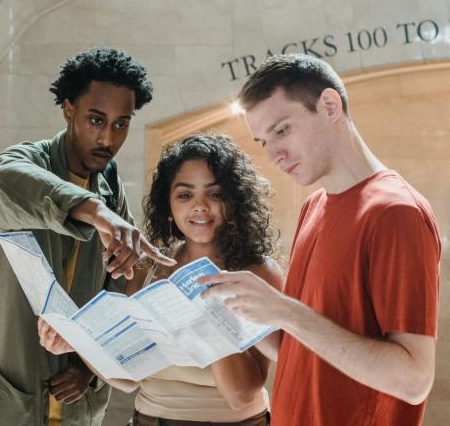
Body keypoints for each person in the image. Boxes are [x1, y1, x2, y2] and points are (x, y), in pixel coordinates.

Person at [198, 54, 441, 426]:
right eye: (264, 140)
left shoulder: (397, 213)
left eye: (282, 130)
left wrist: (283, 310)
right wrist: (238, 312)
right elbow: (300, 349)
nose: (274, 155)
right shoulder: (315, 206)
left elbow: (413, 381)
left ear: (329, 105)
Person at [0, 47, 175, 426]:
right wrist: (98, 213)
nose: (107, 137)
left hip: (76, 406)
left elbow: (122, 286)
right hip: (8, 396)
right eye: (95, 119)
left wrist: (89, 368)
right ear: (68, 109)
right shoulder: (24, 164)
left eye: (122, 123)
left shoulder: (110, 183)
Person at [38, 134, 283, 426]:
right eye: (185, 194)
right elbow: (126, 376)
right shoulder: (148, 268)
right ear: (167, 203)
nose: (200, 206)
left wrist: (208, 320)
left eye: (215, 194)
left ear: (235, 199)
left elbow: (242, 395)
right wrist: (77, 342)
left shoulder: (256, 272)